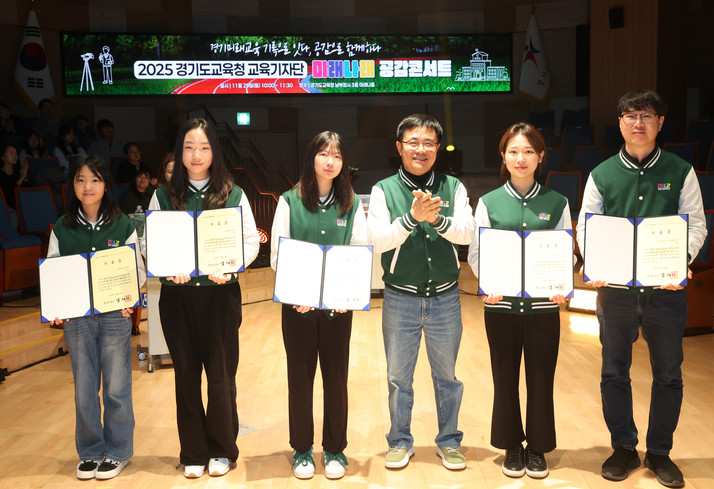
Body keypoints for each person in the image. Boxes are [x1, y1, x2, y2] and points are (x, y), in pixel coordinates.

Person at [576, 89, 706, 488]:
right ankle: (623, 448)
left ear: (660, 123)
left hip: (665, 291)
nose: (638, 123)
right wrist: (594, 263)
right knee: (614, 371)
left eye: (647, 115)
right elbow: (586, 227)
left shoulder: (680, 171)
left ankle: (660, 452)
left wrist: (679, 262)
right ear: (619, 122)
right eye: (630, 115)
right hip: (615, 292)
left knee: (668, 374)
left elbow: (696, 224)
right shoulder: (601, 174)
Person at [147, 117, 259, 479]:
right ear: (180, 152)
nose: (196, 155)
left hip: (220, 299)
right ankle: (193, 452)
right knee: (185, 377)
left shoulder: (232, 193)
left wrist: (232, 266)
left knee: (221, 378)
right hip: (177, 301)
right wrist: (167, 270)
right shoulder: (163, 195)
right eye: (189, 147)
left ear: (215, 152)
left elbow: (250, 241)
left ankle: (222, 450)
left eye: (204, 147)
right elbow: (151, 243)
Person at [366, 113, 475, 470]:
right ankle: (399, 441)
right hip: (400, 296)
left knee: (447, 377)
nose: (421, 149)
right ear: (399, 147)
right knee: (399, 378)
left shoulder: (453, 187)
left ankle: (449, 441)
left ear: (438, 148)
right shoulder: (383, 190)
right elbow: (376, 240)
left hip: (445, 296)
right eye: (413, 142)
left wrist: (436, 219)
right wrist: (412, 218)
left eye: (429, 142)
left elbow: (467, 232)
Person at [467, 122, 571, 479]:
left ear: (541, 156)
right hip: (501, 306)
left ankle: (538, 447)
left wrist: (561, 285)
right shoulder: (489, 202)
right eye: (513, 151)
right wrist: (488, 283)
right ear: (503, 156)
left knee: (541, 378)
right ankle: (512, 444)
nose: (521, 158)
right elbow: (477, 252)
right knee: (504, 378)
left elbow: (565, 251)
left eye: (528, 151)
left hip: (543, 307)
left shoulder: (557, 202)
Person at [269, 131, 367, 480]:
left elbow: (359, 249)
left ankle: (335, 448)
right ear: (312, 157)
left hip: (338, 308)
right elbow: (278, 253)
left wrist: (346, 294)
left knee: (336, 377)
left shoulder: (350, 203)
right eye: (324, 154)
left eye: (337, 156)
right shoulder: (289, 201)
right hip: (298, 306)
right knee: (300, 377)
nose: (330, 161)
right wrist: (297, 294)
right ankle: (302, 449)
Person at [47, 155, 145, 481]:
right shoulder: (62, 227)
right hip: (77, 320)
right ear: (73, 185)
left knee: (117, 386)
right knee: (84, 389)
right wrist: (57, 307)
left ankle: (118, 452)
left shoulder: (123, 224)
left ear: (106, 185)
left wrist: (130, 297)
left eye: (95, 180)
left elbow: (137, 271)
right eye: (80, 180)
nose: (87, 186)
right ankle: (89, 451)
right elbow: (54, 273)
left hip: (114, 316)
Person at [0, 143, 30, 209]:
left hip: (24, 204)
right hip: (7, 207)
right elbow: (9, 196)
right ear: (3, 157)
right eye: (11, 153)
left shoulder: (18, 172)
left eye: (16, 153)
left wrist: (25, 177)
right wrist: (21, 178)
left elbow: (29, 191)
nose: (15, 156)